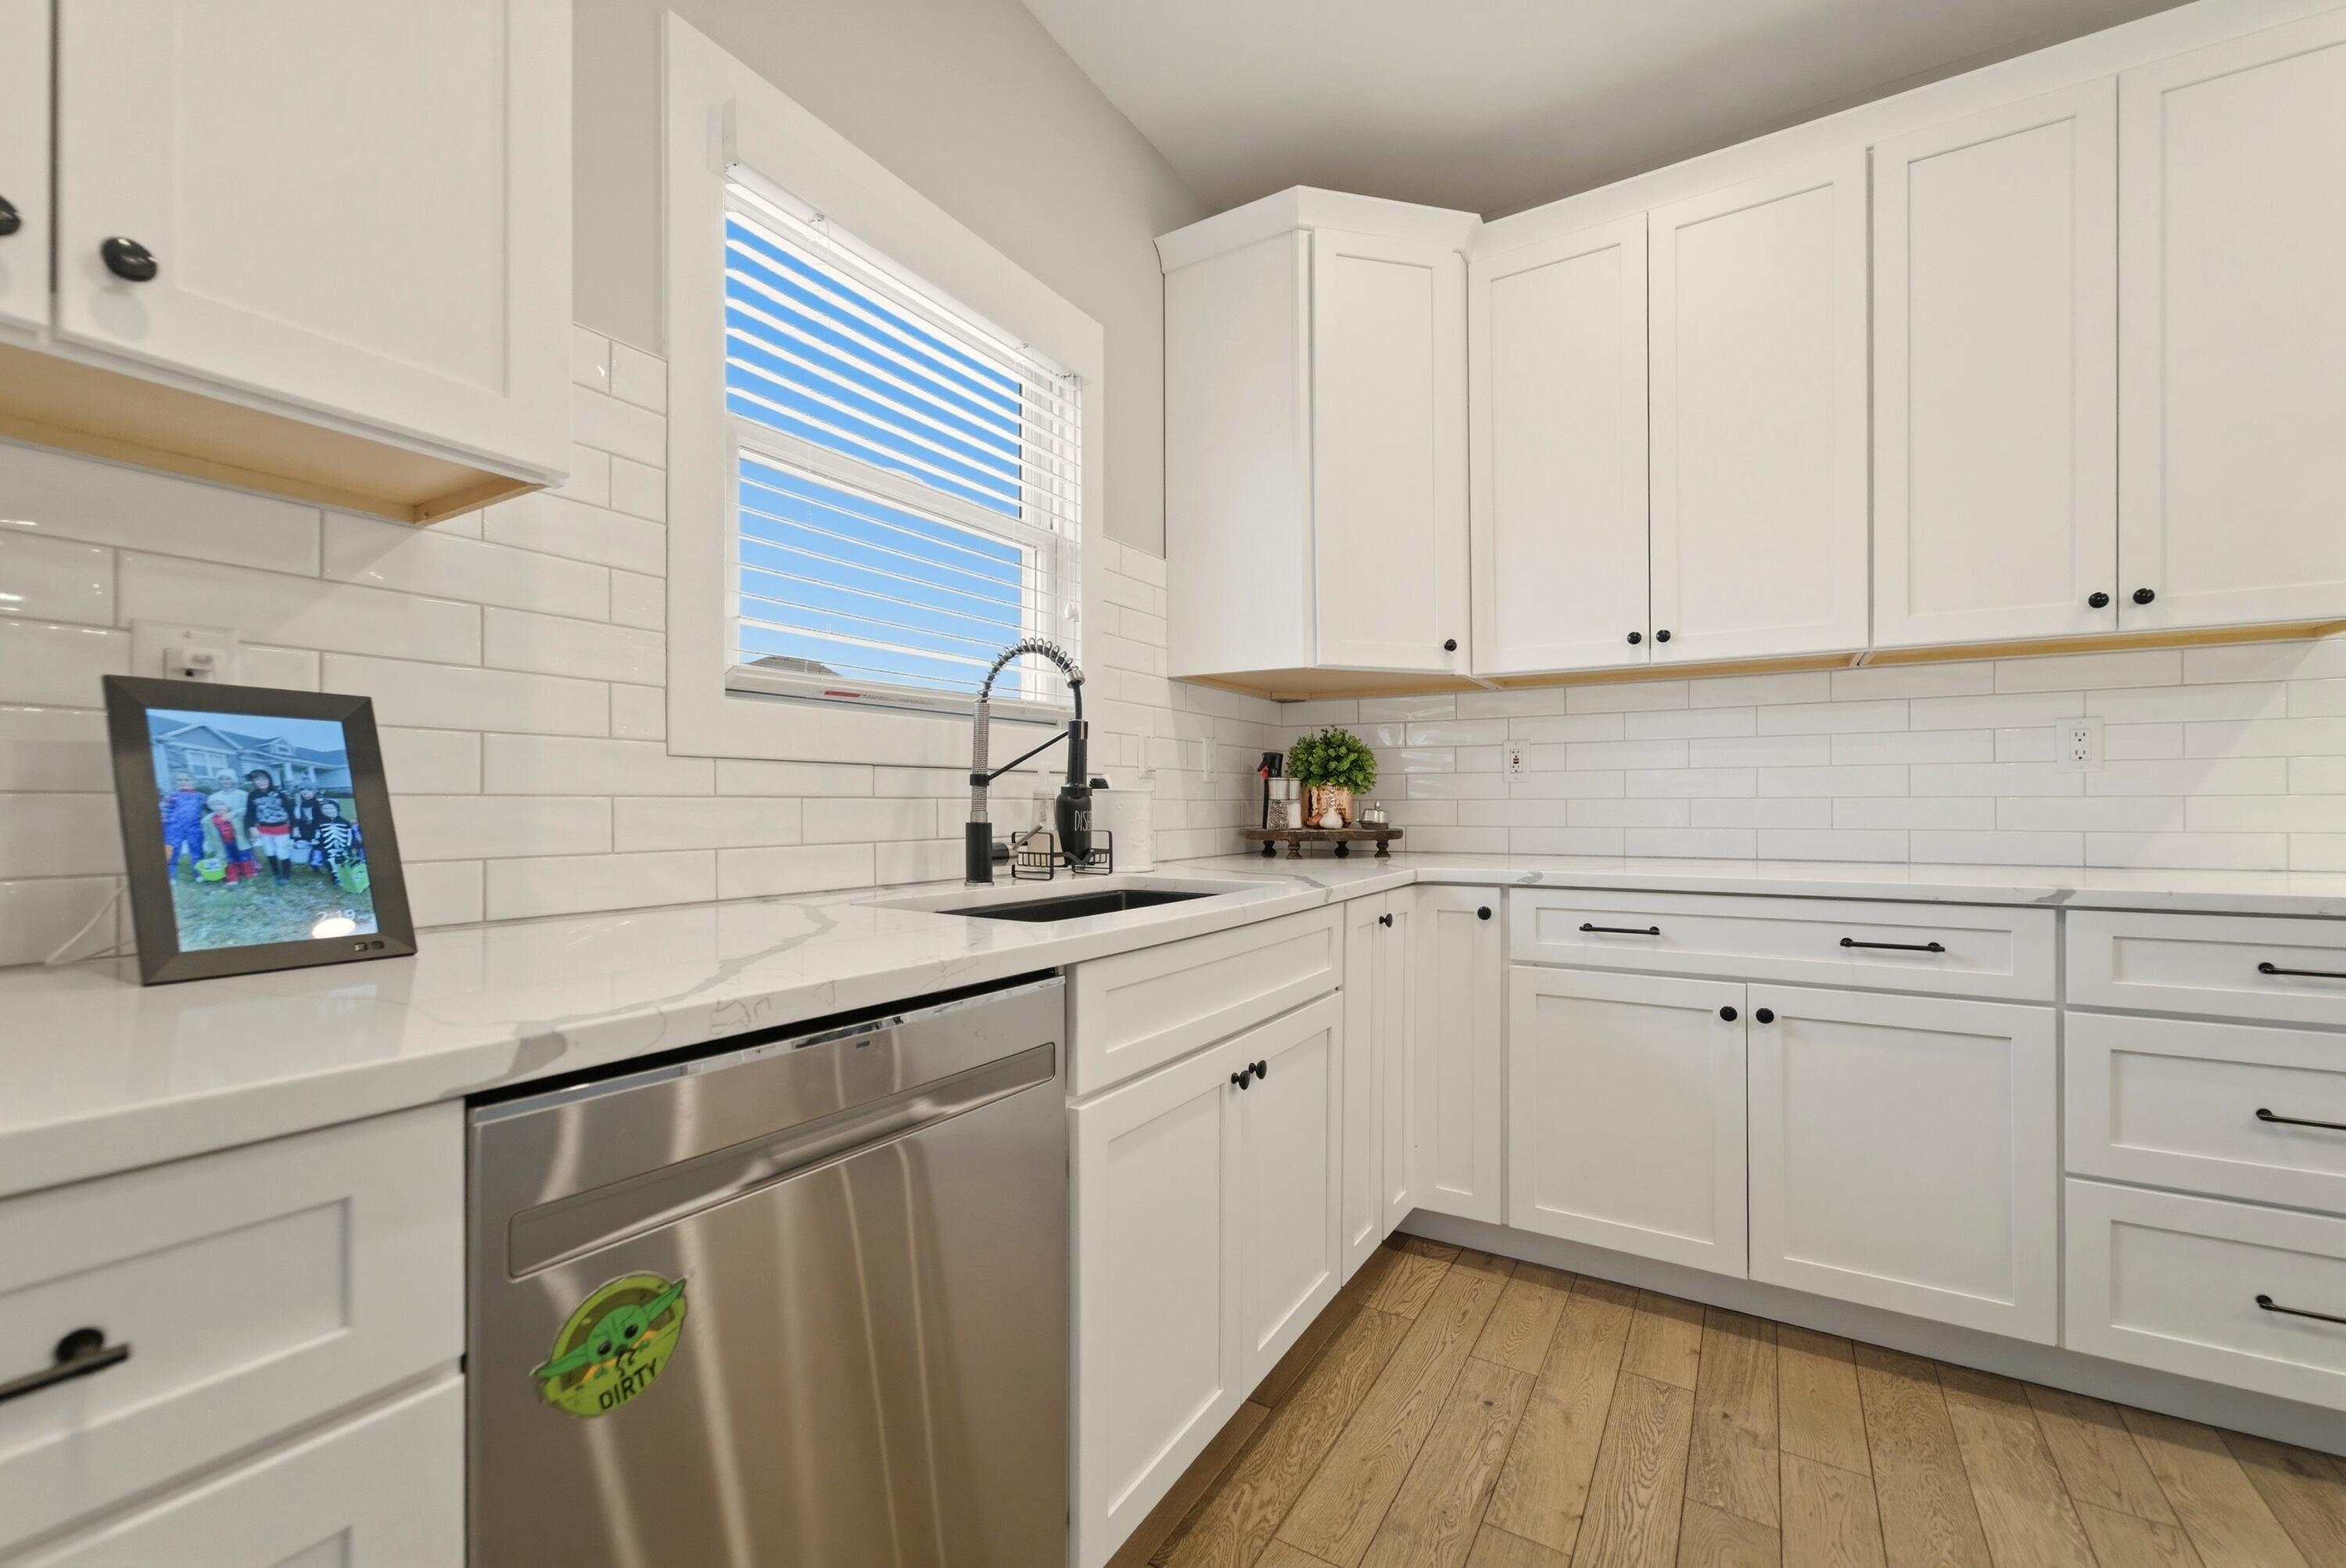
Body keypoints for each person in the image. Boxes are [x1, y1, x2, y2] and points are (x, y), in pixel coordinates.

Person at [243, 768, 299, 884]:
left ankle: (286, 874)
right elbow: (250, 814)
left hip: (281, 828)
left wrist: (295, 827)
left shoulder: (280, 794)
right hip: (264, 829)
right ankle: (276, 873)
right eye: (257, 780)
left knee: (282, 850)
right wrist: (251, 827)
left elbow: (290, 812)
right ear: (253, 782)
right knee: (269, 850)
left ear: (269, 780)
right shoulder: (252, 796)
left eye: (264, 779)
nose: (261, 782)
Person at [206, 773, 254, 884]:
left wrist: (235, 812)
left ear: (234, 780)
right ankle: (233, 874)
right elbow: (212, 812)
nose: (225, 781)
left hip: (240, 825)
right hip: (223, 834)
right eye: (222, 779)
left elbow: (249, 809)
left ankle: (249, 871)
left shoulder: (243, 794)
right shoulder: (215, 796)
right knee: (228, 855)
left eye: (228, 778)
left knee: (245, 851)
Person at [160, 773, 206, 880]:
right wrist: (165, 823)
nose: (183, 782)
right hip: (174, 828)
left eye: (187, 780)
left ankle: (198, 873)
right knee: (172, 851)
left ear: (194, 782)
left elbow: (212, 808)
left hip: (194, 828)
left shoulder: (201, 796)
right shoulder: (172, 796)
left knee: (197, 851)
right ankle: (171, 875)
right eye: (180, 780)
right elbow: (164, 811)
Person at [313, 798, 365, 887]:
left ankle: (348, 877)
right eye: (325, 809)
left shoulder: (345, 822)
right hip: (328, 849)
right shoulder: (320, 823)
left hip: (344, 848)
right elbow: (317, 835)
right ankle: (335, 878)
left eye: (331, 808)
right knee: (330, 862)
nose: (329, 811)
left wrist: (349, 846)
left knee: (346, 862)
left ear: (337, 809)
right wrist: (317, 843)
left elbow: (350, 835)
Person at [290, 787, 324, 874]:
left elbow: (320, 818)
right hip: (304, 828)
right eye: (303, 791)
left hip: (316, 828)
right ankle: (309, 861)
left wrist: (318, 829)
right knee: (307, 845)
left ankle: (317, 864)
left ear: (314, 792)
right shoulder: (301, 804)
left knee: (317, 846)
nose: (306, 793)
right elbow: (298, 817)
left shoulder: (319, 803)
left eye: (309, 790)